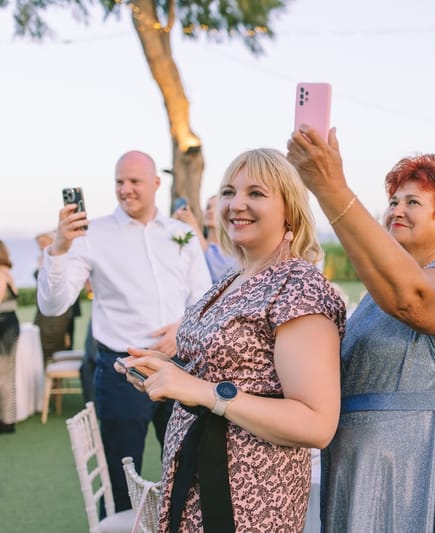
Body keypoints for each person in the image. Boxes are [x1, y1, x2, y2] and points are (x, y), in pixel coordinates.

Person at [287, 127, 435, 532]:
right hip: (367, 476)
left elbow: (413, 300)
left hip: (425, 477)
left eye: (413, 202)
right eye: (393, 200)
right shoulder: (375, 297)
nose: (397, 209)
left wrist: (331, 189)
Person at [119, 148, 346, 532]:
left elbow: (316, 424)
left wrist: (203, 391)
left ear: (289, 208)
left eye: (256, 193)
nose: (236, 204)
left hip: (249, 497)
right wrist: (169, 372)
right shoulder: (230, 278)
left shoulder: (297, 286)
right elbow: (223, 372)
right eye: (228, 192)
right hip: (194, 478)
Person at [36, 150, 211, 513]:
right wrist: (60, 248)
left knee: (188, 470)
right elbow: (53, 306)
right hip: (121, 371)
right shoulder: (91, 234)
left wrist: (182, 330)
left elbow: (204, 298)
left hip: (181, 367)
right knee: (120, 478)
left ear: (156, 184)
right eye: (119, 182)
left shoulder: (182, 235)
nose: (125, 189)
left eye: (134, 182)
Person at [33, 231, 81, 362]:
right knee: (40, 346)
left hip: (62, 313)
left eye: (43, 243)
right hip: (43, 311)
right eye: (39, 244)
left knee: (60, 346)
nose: (41, 247)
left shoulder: (65, 259)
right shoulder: (40, 259)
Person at [172, 194, 237, 282]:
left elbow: (217, 274)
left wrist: (193, 226)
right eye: (208, 207)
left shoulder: (233, 252)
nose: (210, 211)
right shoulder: (191, 242)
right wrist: (172, 223)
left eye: (217, 207)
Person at [0, 241, 20, 434]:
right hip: (9, 323)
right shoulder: (7, 271)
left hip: (3, 325)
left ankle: (6, 421)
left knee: (4, 375)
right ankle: (8, 418)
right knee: (6, 374)